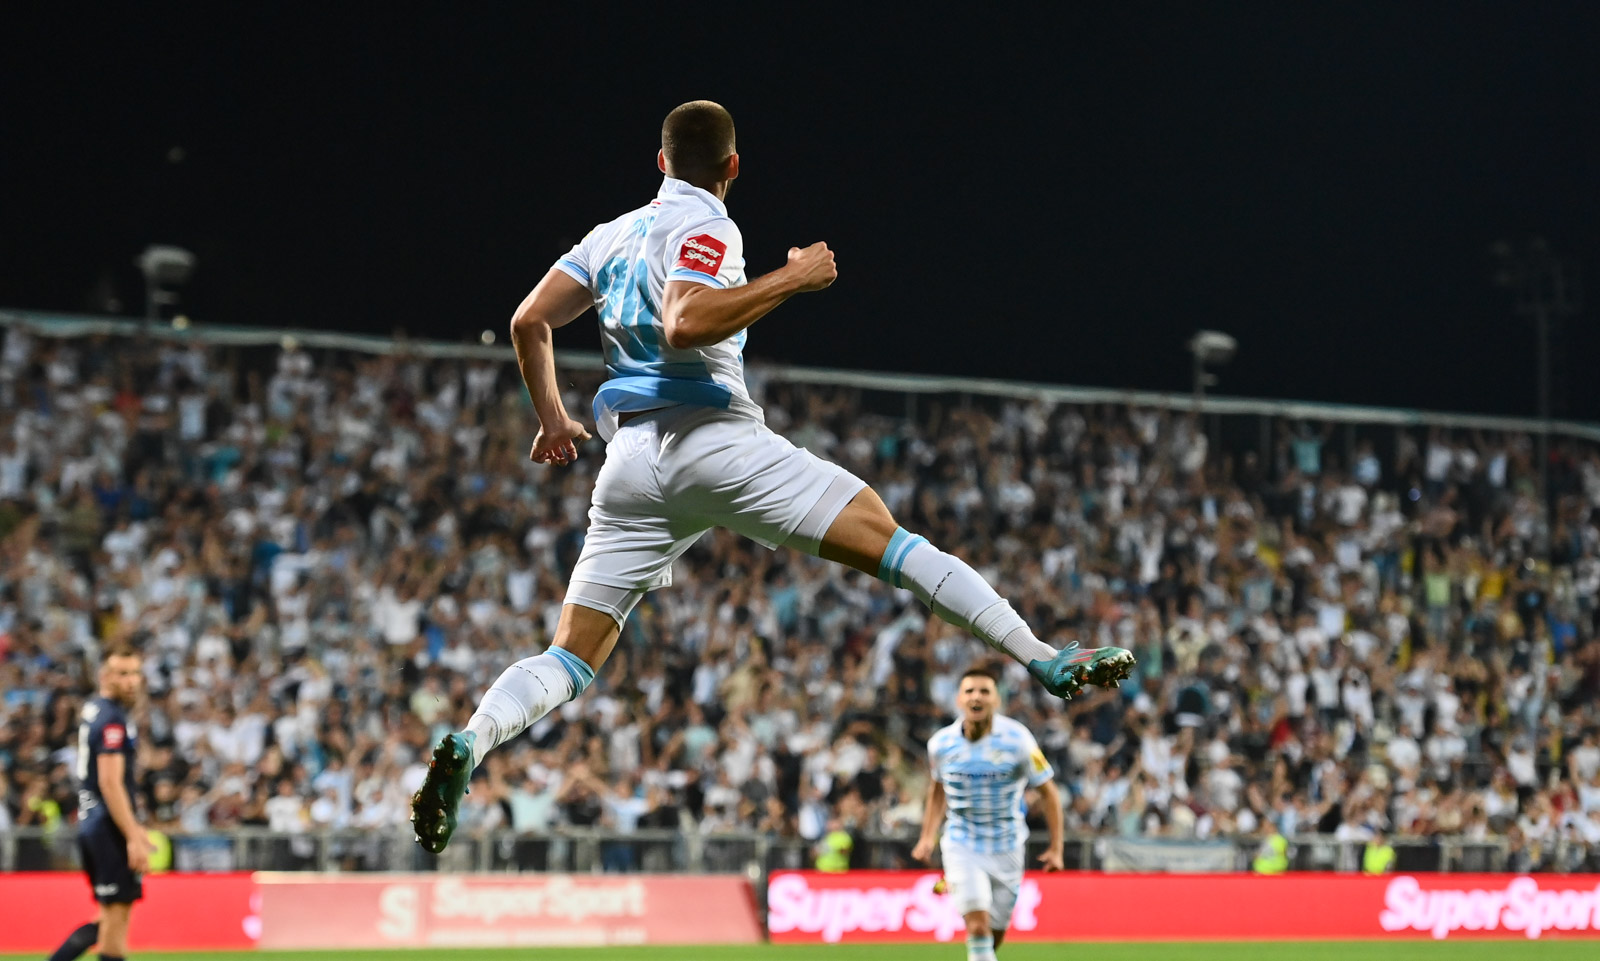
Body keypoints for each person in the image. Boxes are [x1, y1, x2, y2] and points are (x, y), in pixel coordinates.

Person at [410, 100, 1134, 852]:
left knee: (570, 654)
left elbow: (529, 321)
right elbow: (685, 323)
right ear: (732, 167)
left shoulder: (608, 236)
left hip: (627, 466)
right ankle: (1043, 657)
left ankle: (472, 738)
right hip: (710, 437)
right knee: (890, 542)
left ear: (659, 162)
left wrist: (553, 418)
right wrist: (789, 278)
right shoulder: (709, 225)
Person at [911, 666, 1064, 961]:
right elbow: (937, 790)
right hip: (962, 844)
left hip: (1007, 846)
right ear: (958, 700)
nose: (976, 697)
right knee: (978, 928)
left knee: (992, 936)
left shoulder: (1019, 740)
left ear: (996, 700)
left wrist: (1056, 848)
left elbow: (1049, 792)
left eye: (984, 691)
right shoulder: (940, 744)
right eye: (969, 691)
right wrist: (927, 836)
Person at [47, 645, 154, 961]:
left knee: (109, 916)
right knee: (117, 921)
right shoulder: (112, 719)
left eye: (136, 673)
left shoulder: (94, 709)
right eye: (123, 674)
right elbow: (110, 782)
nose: (132, 681)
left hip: (92, 821)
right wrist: (132, 834)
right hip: (107, 824)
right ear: (104, 676)